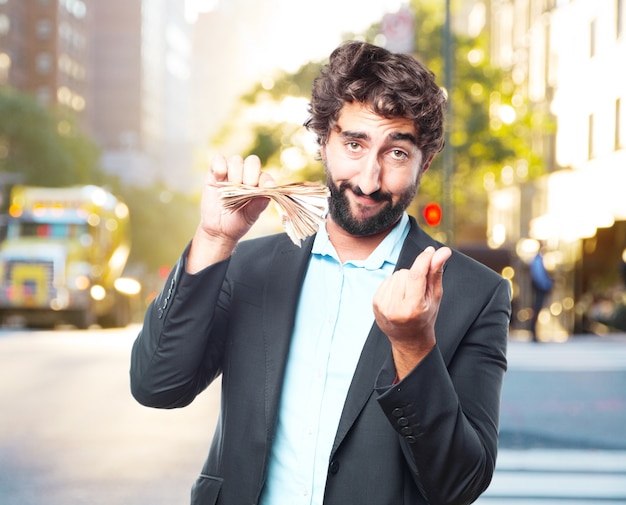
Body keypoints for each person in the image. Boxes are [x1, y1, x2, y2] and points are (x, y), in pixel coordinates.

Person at [130, 41, 511, 505]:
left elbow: (460, 484)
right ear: (324, 142)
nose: (369, 180)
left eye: (396, 154)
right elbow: (157, 385)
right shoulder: (249, 266)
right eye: (354, 144)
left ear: (423, 163)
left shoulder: (476, 294)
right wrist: (214, 238)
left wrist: (413, 347)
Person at [529, 245, 553, 342]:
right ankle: (533, 333)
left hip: (540, 287)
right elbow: (539, 275)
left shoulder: (538, 259)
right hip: (540, 288)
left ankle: (534, 332)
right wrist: (547, 285)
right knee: (536, 309)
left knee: (537, 310)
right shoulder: (538, 260)